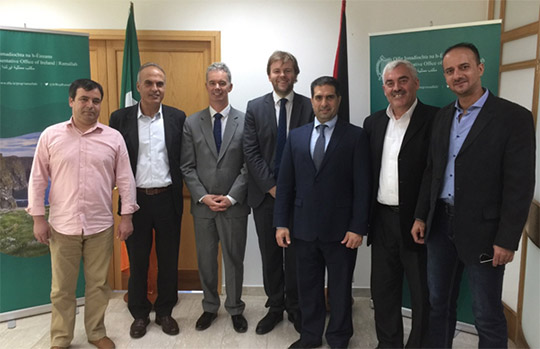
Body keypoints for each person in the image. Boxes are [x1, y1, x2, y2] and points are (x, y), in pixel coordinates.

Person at [411, 42, 536, 348]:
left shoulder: (513, 117)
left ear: (480, 68)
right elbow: (432, 170)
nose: (457, 75)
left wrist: (507, 239)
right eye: (450, 71)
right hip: (440, 224)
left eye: (464, 67)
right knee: (438, 303)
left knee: (486, 314)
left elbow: (519, 184)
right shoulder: (442, 117)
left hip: (485, 231)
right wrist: (420, 214)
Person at [27, 79, 138, 349]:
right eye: (84, 99)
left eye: (95, 101)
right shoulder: (51, 136)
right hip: (62, 227)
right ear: (71, 101)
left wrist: (127, 216)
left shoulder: (113, 138)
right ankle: (61, 338)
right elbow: (38, 179)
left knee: (98, 286)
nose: (90, 105)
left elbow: (125, 180)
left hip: (100, 225)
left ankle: (96, 332)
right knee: (61, 289)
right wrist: (38, 218)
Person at [275, 76, 371, 348]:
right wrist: (281, 223)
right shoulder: (296, 137)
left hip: (342, 231)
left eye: (330, 97)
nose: (324, 102)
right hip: (302, 229)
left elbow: (363, 187)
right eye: (319, 97)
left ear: (338, 100)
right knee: (308, 287)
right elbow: (285, 184)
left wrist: (358, 227)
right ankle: (310, 335)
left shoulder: (355, 136)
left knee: (340, 289)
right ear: (312, 100)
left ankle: (339, 337)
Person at [363, 60, 438, 348]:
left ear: (415, 83)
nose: (397, 88)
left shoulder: (435, 119)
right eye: (391, 83)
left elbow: (436, 173)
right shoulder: (373, 123)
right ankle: (389, 344)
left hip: (417, 222)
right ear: (384, 89)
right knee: (383, 291)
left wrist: (422, 215)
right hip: (381, 220)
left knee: (422, 294)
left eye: (403, 80)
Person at [109, 62, 186, 338]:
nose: (155, 88)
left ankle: (165, 311)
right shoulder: (119, 118)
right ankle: (139, 314)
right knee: (138, 261)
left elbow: (183, 161)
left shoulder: (178, 118)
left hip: (168, 199)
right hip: (135, 202)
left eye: (160, 84)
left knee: (168, 260)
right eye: (149, 83)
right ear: (139, 86)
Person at [243, 51, 313, 334]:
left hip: (299, 198)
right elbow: (251, 152)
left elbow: (313, 151)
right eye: (276, 70)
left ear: (296, 74)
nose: (282, 75)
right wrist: (272, 187)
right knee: (270, 254)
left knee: (297, 256)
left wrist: (289, 190)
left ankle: (295, 307)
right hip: (265, 196)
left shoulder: (311, 107)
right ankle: (274, 307)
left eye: (287, 70)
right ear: (269, 75)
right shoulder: (255, 107)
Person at [180, 62, 250, 333]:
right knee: (206, 259)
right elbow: (187, 165)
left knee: (234, 259)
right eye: (213, 82)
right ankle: (210, 307)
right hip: (203, 207)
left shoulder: (246, 120)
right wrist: (203, 196)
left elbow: (248, 165)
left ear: (230, 86)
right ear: (206, 86)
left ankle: (235, 308)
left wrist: (232, 197)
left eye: (223, 83)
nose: (218, 87)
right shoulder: (191, 122)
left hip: (234, 205)